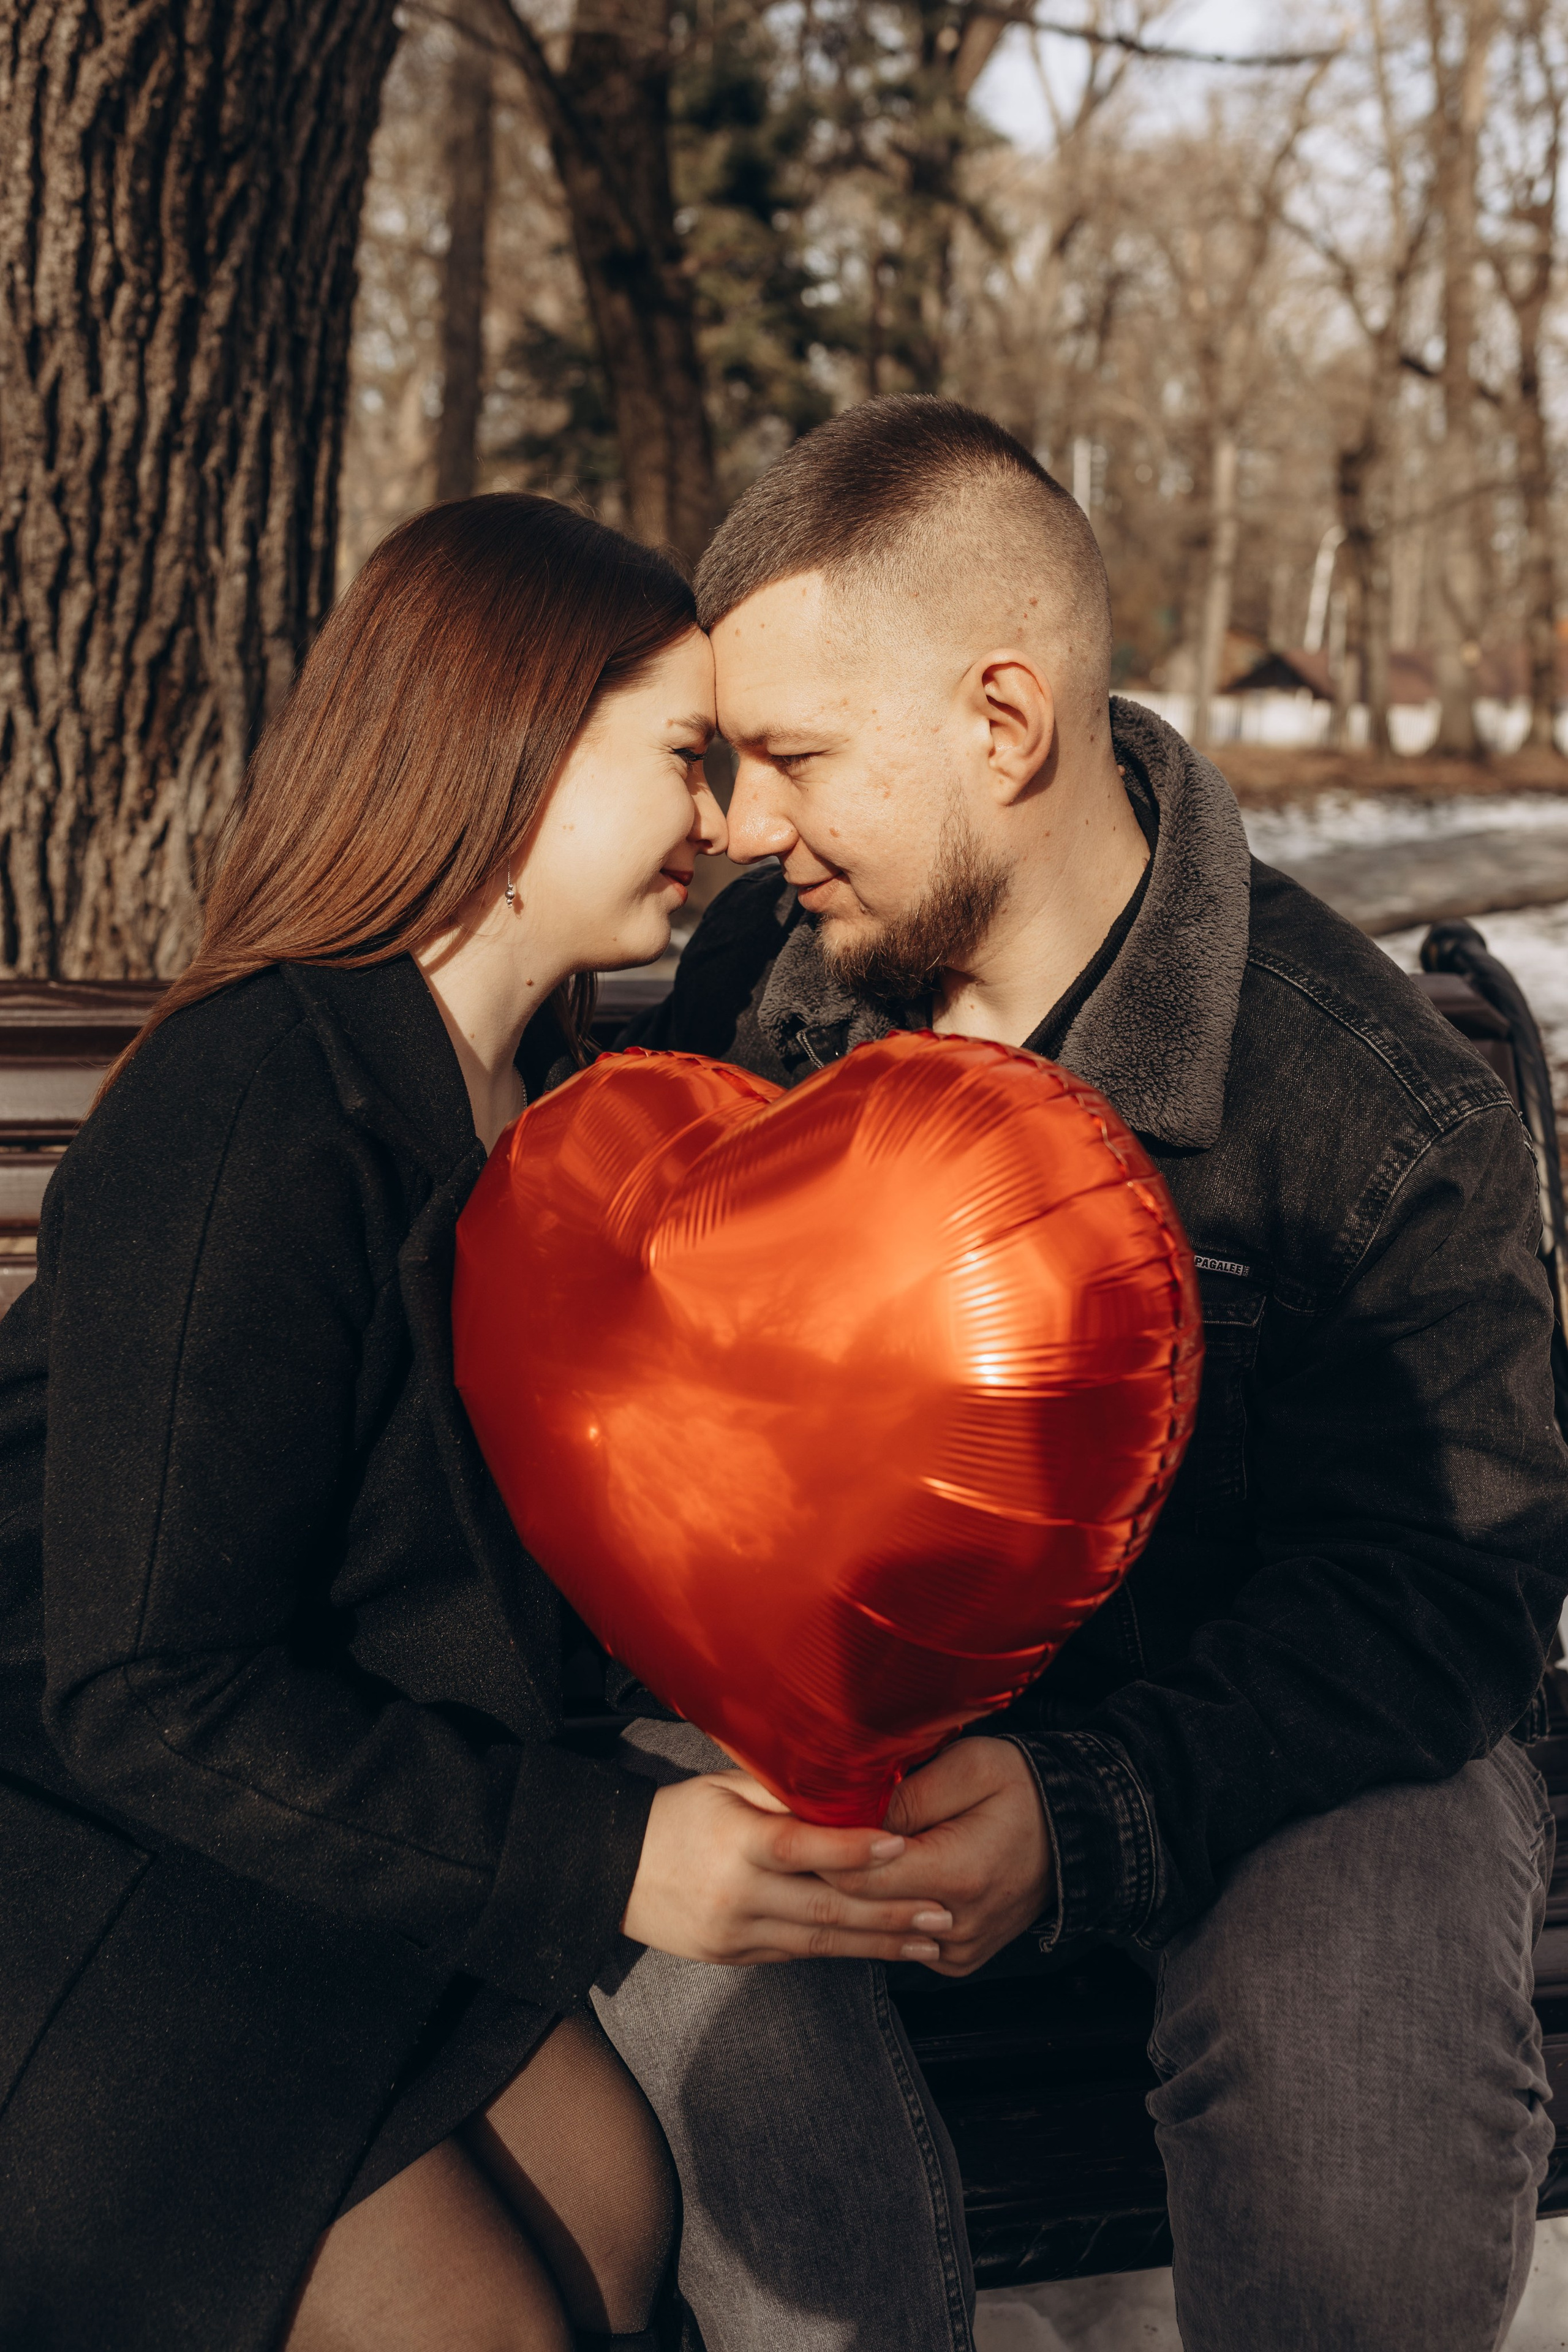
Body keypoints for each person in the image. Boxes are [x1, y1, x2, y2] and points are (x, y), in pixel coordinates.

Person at [601, 397, 1568, 2352]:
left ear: (1004, 722)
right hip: (821, 1733)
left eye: (793, 757)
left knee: (1364, 2063)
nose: (744, 826)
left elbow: (1449, 1588)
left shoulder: (1366, 1101)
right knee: (687, 1975)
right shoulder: (755, 1004)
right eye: (730, 762)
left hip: (1269, 1747)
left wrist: (1097, 1803)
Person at [0, 494, 963, 2352]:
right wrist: (617, 1855)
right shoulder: (250, 1108)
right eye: (685, 757)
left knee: (614, 2218)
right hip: (87, 1860)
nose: (725, 822)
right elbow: (141, 1687)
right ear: (506, 739)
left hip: (332, 1839)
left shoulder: (573, 1105)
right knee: (489, 2323)